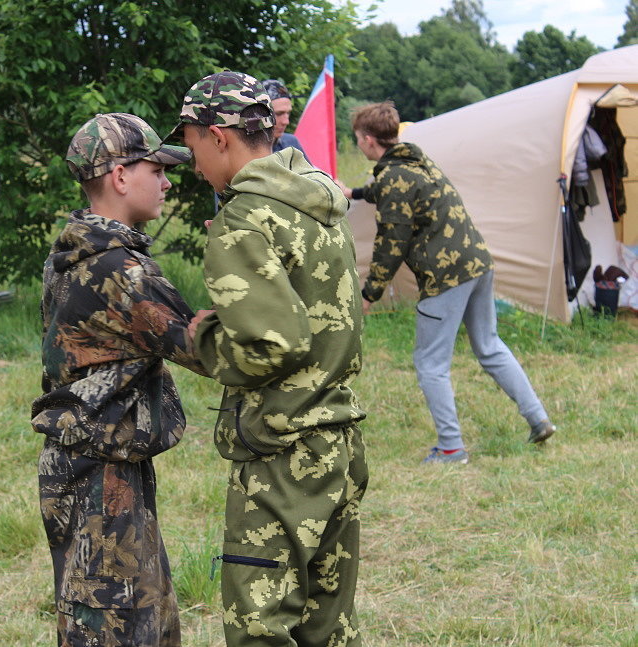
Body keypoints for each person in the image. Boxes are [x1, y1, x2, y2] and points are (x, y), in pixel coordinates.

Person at [174, 71, 368, 647]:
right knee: (328, 626)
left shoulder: (244, 218)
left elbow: (273, 345)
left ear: (217, 137)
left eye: (191, 145)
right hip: (338, 438)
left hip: (282, 453)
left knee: (260, 628)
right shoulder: (314, 199)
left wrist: (204, 337)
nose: (193, 164)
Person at [31, 113, 206, 646]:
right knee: (114, 626)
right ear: (121, 176)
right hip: (100, 475)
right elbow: (209, 351)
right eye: (157, 169)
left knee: (131, 618)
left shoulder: (72, 253)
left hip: (91, 461)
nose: (167, 182)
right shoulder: (120, 271)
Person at [337, 101, 556, 463]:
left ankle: (452, 448)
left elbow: (392, 242)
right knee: (489, 345)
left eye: (358, 138)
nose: (358, 144)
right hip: (477, 263)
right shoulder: (415, 160)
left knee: (430, 364)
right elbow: (394, 192)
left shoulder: (393, 176)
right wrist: (356, 194)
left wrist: (369, 293)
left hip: (446, 277)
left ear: (367, 139)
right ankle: (539, 419)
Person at [262, 78, 308, 159]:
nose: (286, 122)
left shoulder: (291, 144)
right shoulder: (243, 149)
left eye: (288, 113)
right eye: (278, 114)